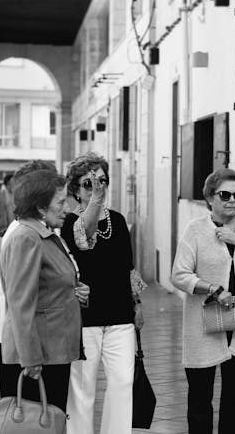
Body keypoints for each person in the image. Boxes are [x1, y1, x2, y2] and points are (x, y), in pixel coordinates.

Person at [171, 168, 235, 434]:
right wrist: (212, 289)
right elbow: (179, 274)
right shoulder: (195, 229)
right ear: (209, 198)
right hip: (202, 324)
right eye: (224, 194)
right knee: (199, 401)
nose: (232, 200)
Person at [60, 152, 145, 434]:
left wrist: (137, 303)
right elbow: (84, 238)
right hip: (85, 319)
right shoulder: (68, 223)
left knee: (123, 382)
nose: (98, 188)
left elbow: (129, 268)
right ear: (75, 189)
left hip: (120, 316)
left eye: (102, 181)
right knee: (82, 390)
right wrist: (95, 202)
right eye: (88, 183)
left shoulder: (118, 221)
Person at [0, 160, 90, 398]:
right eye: (60, 202)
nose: (67, 208)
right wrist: (30, 358)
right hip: (40, 358)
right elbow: (20, 304)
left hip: (53, 351)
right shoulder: (26, 238)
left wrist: (76, 291)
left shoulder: (43, 234)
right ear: (40, 207)